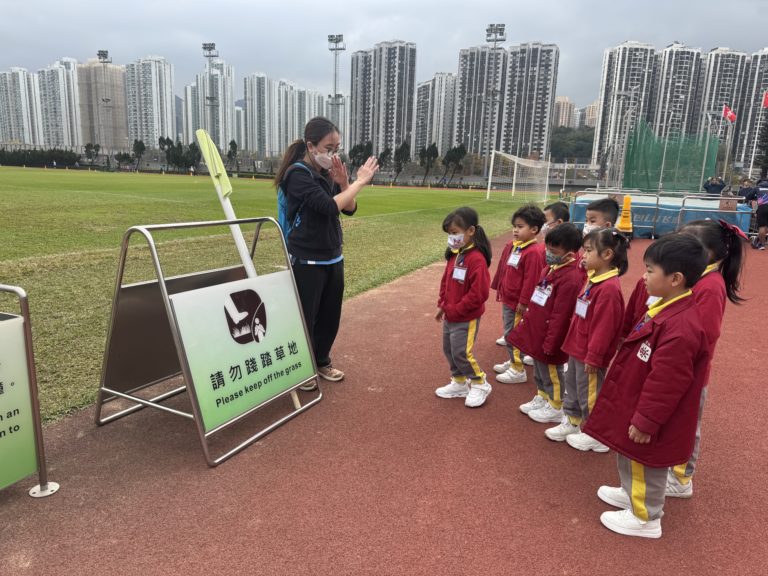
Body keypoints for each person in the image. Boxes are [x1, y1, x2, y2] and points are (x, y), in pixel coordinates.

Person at [584, 234, 709, 538]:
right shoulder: (664, 308)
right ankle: (631, 494)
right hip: (636, 399)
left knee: (645, 461)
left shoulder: (680, 328)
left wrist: (646, 421)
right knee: (630, 455)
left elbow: (667, 383)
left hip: (649, 412)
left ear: (675, 279)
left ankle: (646, 517)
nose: (644, 276)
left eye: (651, 271)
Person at [620, 220, 745, 498]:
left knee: (685, 425)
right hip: (667, 360)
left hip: (687, 370)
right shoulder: (692, 280)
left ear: (706, 253)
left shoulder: (709, 285)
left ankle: (681, 477)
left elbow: (702, 335)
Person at [274, 116, 379, 388]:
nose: (333, 154)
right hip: (307, 258)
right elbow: (328, 207)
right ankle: (302, 369)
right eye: (328, 148)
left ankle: (321, 361)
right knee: (306, 318)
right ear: (311, 146)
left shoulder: (326, 173)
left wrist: (344, 184)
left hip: (333, 255)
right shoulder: (297, 175)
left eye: (337, 148)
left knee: (330, 316)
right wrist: (360, 182)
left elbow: (349, 208)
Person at [507, 223, 585, 422]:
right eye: (548, 248)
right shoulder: (551, 268)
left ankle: (556, 405)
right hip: (538, 329)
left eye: (554, 251)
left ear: (569, 254)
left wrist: (551, 342)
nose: (548, 253)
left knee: (552, 372)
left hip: (550, 335)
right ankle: (542, 396)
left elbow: (561, 315)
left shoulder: (571, 278)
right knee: (539, 370)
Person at [557, 228, 627, 446]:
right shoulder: (594, 278)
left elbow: (604, 328)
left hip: (589, 353)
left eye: (588, 251)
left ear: (607, 254)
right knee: (573, 386)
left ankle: (596, 433)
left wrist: (594, 357)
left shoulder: (608, 289)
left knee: (590, 392)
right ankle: (572, 420)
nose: (583, 255)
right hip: (577, 346)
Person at [435, 207, 493, 408]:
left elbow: (479, 294)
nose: (452, 237)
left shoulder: (476, 259)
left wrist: (457, 309)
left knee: (461, 352)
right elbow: (446, 281)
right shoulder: (455, 254)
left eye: (455, 232)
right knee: (449, 349)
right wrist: (442, 305)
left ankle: (479, 383)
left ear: (470, 231)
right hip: (451, 314)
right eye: (449, 233)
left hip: (466, 317)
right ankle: (459, 382)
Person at [491, 204, 546, 384]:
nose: (515, 230)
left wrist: (523, 302)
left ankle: (517, 369)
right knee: (510, 331)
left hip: (517, 303)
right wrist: (499, 287)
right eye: (514, 226)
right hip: (509, 299)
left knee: (513, 334)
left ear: (534, 229)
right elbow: (505, 269)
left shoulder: (533, 252)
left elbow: (531, 280)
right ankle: (514, 359)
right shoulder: (516, 246)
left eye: (520, 227)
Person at [746, 178, 768, 249]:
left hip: (763, 207)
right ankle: (759, 239)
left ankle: (762, 244)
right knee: (766, 227)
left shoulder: (757, 187)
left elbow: (748, 197)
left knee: (762, 226)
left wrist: (756, 197)